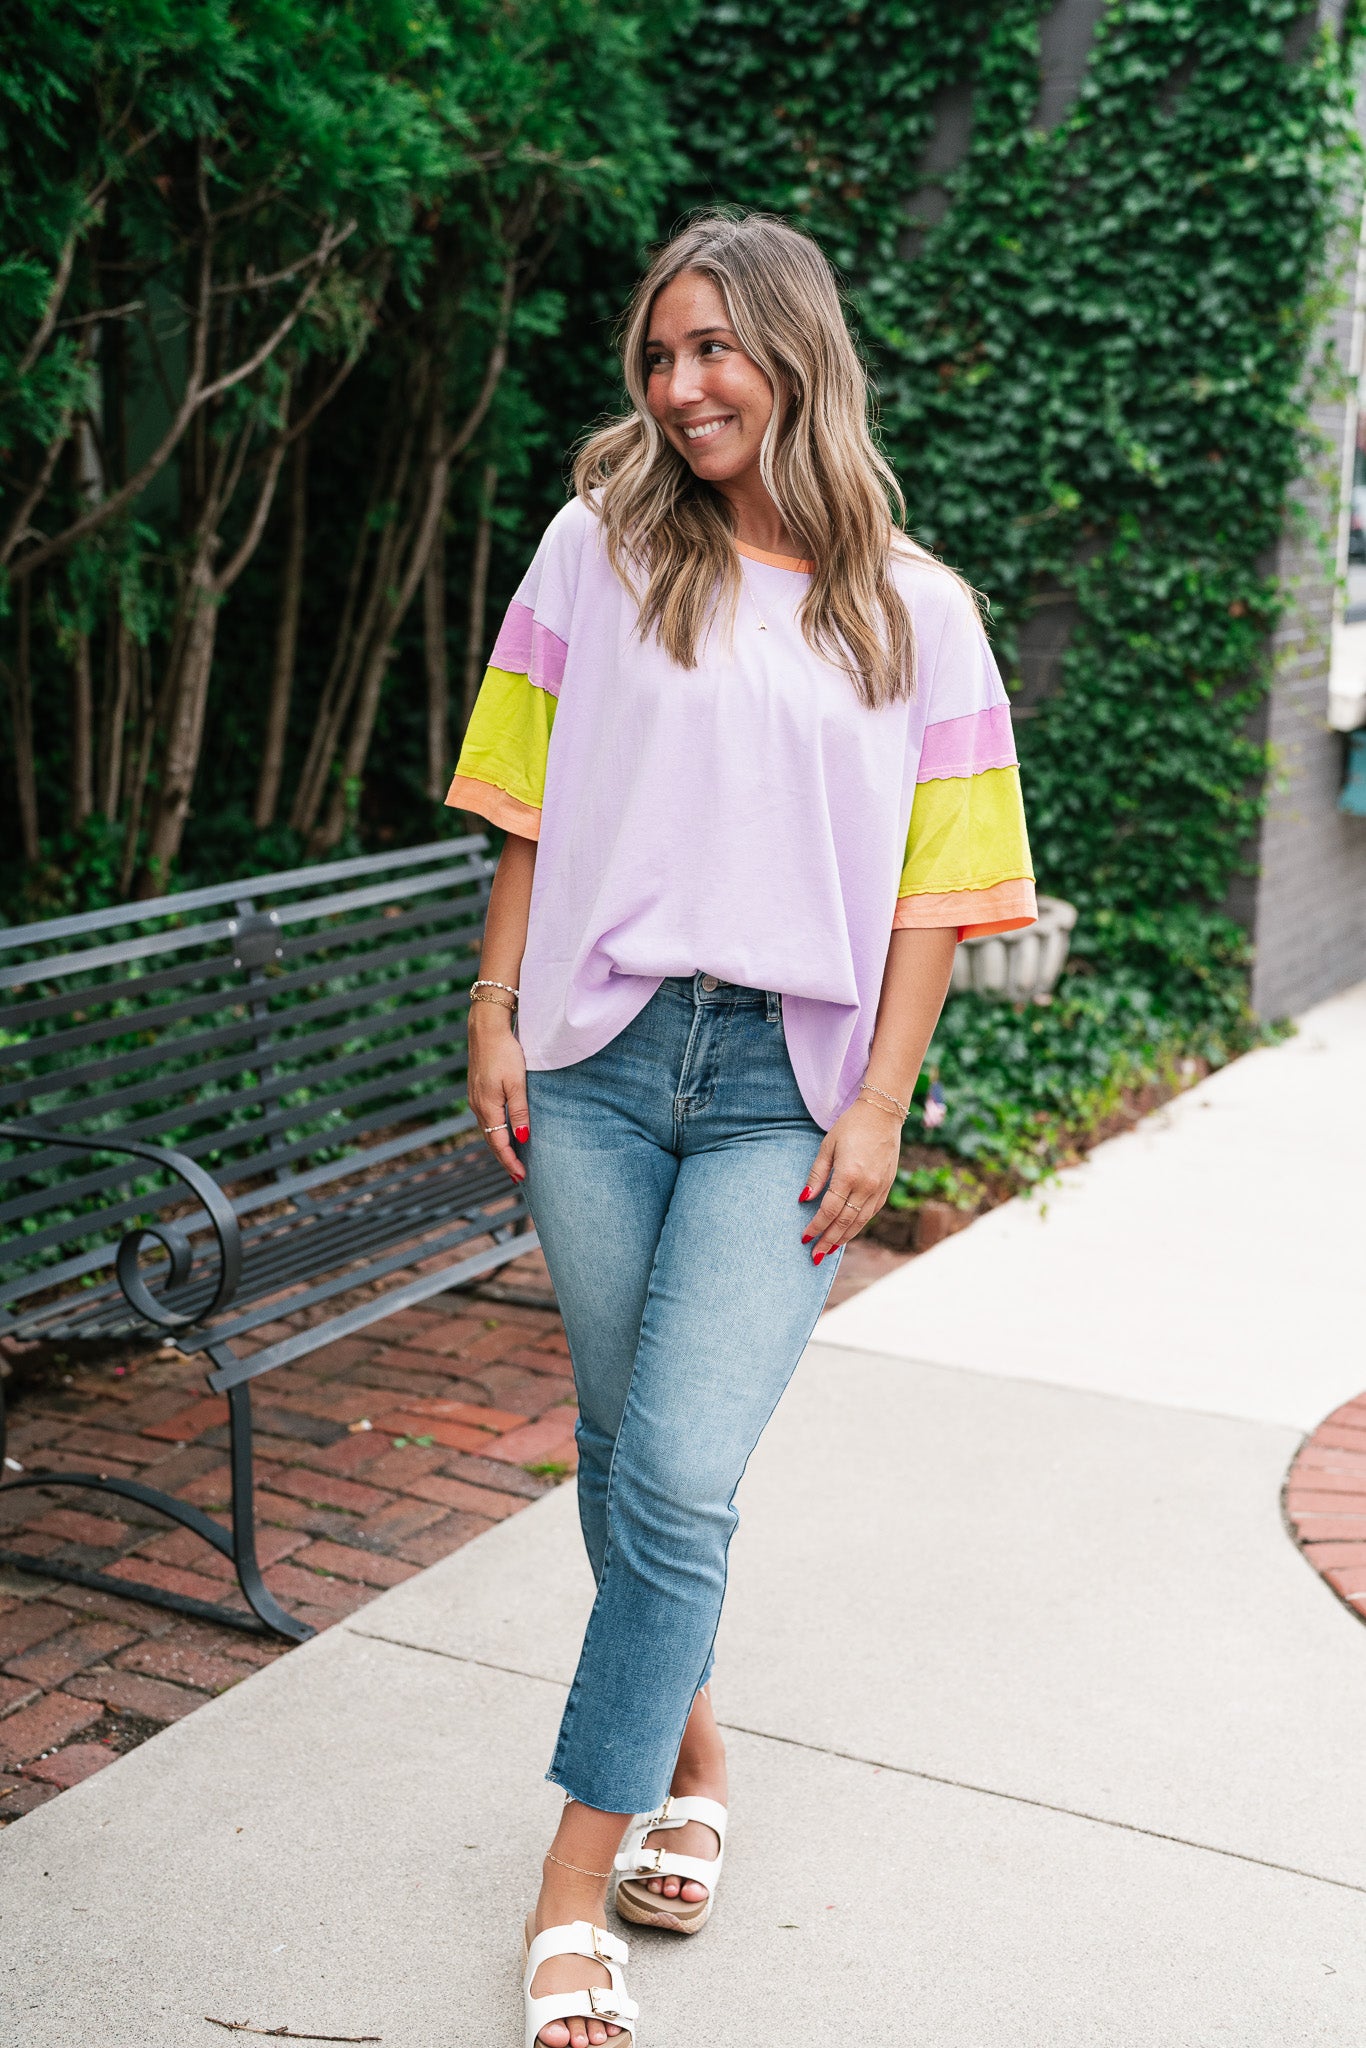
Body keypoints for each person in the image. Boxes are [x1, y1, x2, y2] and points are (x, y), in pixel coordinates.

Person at [447, 210, 1035, 2048]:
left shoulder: (916, 611)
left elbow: (942, 894)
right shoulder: (599, 548)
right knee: (627, 1451)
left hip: (784, 1091)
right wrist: (493, 1003)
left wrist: (878, 1104)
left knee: (678, 1473)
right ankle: (691, 1757)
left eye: (715, 349)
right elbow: (525, 786)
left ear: (794, 352)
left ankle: (572, 1883)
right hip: (601, 1063)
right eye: (658, 354)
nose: (682, 386)